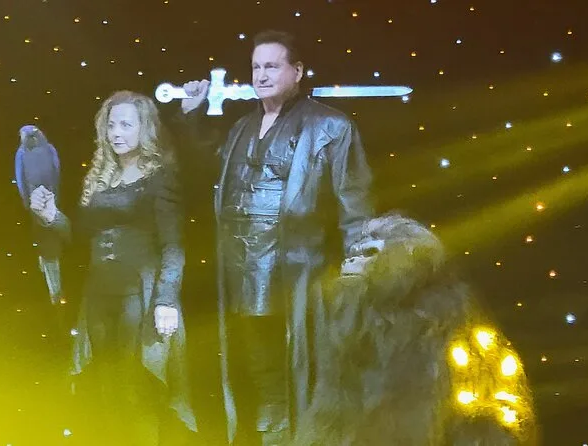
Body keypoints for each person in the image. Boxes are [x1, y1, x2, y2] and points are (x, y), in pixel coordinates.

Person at [176, 29, 375, 445]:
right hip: (241, 272)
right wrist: (192, 115)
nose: (261, 75)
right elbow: (211, 173)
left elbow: (354, 204)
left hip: (297, 272)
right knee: (256, 371)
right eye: (256, 67)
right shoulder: (242, 127)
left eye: (271, 66)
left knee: (299, 372)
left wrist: (359, 267)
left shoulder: (331, 126)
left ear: (297, 71)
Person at [29, 91, 196, 444]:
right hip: (98, 296)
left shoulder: (160, 177)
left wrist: (166, 300)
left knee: (138, 391)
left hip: (140, 298)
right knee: (106, 391)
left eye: (126, 125)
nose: (116, 132)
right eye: (111, 125)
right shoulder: (100, 179)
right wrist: (52, 216)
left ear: (144, 129)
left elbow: (173, 245)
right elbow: (80, 238)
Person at [291, 213, 539, 445]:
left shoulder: (443, 313)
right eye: (353, 253)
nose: (351, 260)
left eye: (368, 252)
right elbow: (332, 408)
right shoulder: (348, 320)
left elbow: (480, 410)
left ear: (399, 258)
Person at [14, 124, 63, 304]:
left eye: (34, 134)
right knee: (44, 233)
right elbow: (21, 179)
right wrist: (28, 200)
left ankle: (54, 284)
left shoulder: (50, 149)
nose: (31, 139)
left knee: (51, 232)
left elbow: (56, 174)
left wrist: (53, 196)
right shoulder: (21, 153)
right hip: (34, 197)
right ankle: (53, 285)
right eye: (26, 136)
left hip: (49, 195)